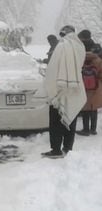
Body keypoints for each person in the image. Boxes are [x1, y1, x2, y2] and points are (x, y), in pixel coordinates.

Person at [41, 25, 87, 159]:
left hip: (60, 88)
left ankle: (55, 149)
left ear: (63, 33)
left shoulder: (63, 46)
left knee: (56, 120)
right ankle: (68, 149)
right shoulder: (80, 46)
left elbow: (54, 67)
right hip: (75, 87)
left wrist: (51, 84)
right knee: (70, 117)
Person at [76, 30, 102, 136]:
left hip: (83, 84)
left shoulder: (79, 52)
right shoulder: (97, 56)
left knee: (85, 107)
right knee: (93, 107)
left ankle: (85, 129)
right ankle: (93, 129)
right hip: (96, 85)